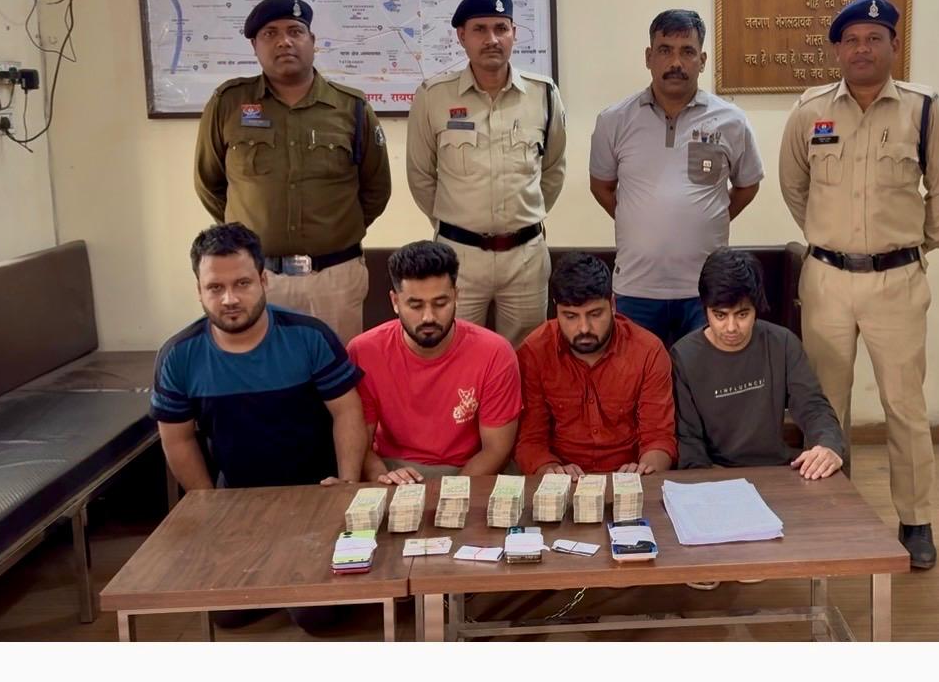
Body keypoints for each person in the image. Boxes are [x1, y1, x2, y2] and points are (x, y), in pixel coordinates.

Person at [778, 0, 939, 570]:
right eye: (852, 40)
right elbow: (794, 186)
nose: (862, 49)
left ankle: (916, 520)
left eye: (874, 39)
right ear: (837, 50)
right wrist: (827, 239)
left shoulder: (924, 111)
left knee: (904, 406)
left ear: (893, 46)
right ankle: (837, 513)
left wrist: (918, 245)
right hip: (827, 280)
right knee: (826, 406)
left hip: (896, 282)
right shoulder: (809, 111)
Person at [151, 222, 369, 633]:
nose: (230, 298)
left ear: (264, 280)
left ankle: (296, 580)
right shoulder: (178, 356)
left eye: (242, 283)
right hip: (239, 499)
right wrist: (209, 504)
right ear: (198, 290)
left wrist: (345, 485)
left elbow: (347, 412)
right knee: (227, 615)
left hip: (315, 493)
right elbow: (176, 439)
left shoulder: (310, 336)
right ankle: (279, 576)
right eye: (215, 288)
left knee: (317, 618)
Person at [195, 0, 392, 345]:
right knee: (263, 370)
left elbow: (376, 188)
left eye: (295, 31)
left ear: (312, 41)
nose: (284, 41)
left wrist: (337, 231)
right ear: (255, 46)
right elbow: (210, 183)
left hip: (334, 277)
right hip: (260, 277)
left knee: (337, 370)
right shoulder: (228, 104)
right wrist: (248, 235)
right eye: (270, 33)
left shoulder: (351, 107)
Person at [671, 248, 847, 591]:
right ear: (705, 308)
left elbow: (813, 406)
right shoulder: (684, 355)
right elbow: (687, 439)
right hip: (713, 479)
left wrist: (828, 444)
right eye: (720, 315)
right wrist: (709, 490)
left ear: (757, 308)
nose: (731, 327)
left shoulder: (782, 343)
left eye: (743, 314)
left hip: (774, 474)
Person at [589, 9, 764, 348]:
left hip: (705, 289)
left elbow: (747, 185)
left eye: (687, 52)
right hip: (636, 288)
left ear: (702, 60)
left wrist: (713, 218)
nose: (675, 62)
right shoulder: (614, 120)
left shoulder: (731, 120)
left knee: (702, 378)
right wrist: (637, 219)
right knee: (637, 377)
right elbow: (602, 186)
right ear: (648, 57)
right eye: (665, 50)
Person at [406, 0, 567, 348]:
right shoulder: (433, 96)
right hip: (460, 255)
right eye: (480, 29)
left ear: (514, 33)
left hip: (525, 257)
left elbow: (553, 168)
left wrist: (522, 217)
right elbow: (420, 175)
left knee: (526, 357)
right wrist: (456, 224)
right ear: (462, 36)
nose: (492, 39)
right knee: (457, 353)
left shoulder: (543, 94)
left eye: (501, 28)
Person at [346, 240, 520, 483]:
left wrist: (452, 491)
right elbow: (359, 443)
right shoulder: (363, 351)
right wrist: (383, 477)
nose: (428, 317)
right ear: (395, 302)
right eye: (415, 305)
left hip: (471, 470)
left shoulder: (495, 353)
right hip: (394, 468)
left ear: (456, 296)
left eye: (440, 303)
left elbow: (496, 450)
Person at [515, 253, 677, 477]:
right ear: (556, 310)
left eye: (595, 314)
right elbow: (531, 441)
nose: (584, 328)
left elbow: (658, 438)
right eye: (570, 316)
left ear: (612, 305)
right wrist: (551, 472)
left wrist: (644, 471)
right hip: (562, 480)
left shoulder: (648, 352)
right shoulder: (534, 351)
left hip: (630, 477)